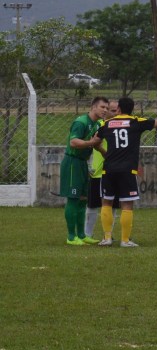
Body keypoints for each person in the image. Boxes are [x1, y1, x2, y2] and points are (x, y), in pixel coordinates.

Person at [97, 97, 157, 247]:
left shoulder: (107, 124)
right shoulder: (136, 122)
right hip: (127, 169)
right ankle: (124, 240)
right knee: (127, 204)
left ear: (119, 110)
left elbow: (94, 141)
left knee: (106, 202)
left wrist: (83, 144)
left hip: (108, 169)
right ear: (131, 109)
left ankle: (107, 238)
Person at [59, 96, 107, 245]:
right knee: (73, 199)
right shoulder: (81, 122)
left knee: (83, 200)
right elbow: (73, 142)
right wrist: (90, 143)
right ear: (93, 107)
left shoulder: (97, 124)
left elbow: (95, 144)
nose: (105, 110)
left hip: (82, 163)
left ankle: (82, 234)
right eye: (102, 107)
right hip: (73, 162)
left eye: (106, 108)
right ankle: (71, 237)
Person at [85, 100, 120, 241]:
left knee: (113, 205)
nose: (114, 113)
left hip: (114, 172)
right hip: (99, 172)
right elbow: (91, 144)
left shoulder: (120, 127)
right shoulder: (100, 126)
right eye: (111, 110)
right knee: (93, 205)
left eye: (116, 110)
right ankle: (87, 234)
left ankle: (108, 235)